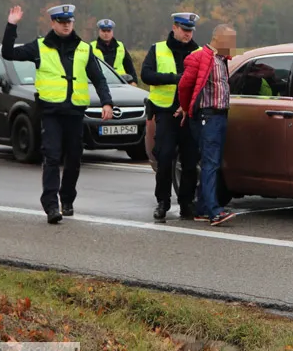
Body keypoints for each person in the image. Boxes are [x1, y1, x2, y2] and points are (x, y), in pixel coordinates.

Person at [2, 4, 114, 224]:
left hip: (74, 112)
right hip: (51, 112)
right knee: (52, 156)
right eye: (61, 22)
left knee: (74, 158)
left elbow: (99, 78)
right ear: (53, 23)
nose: (65, 26)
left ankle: (67, 198)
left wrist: (107, 102)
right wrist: (11, 25)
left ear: (73, 23)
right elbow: (8, 52)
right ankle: (51, 205)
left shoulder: (84, 48)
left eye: (69, 22)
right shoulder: (40, 47)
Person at [140, 12, 201, 222]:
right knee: (165, 157)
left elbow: (203, 82)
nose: (188, 34)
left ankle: (186, 203)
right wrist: (175, 79)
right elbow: (146, 75)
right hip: (166, 112)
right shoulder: (157, 49)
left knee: (190, 161)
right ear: (174, 27)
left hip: (190, 113)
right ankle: (163, 202)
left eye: (191, 30)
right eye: (184, 30)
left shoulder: (199, 51)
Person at [177, 23, 237, 226]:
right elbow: (184, 85)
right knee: (210, 163)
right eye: (230, 40)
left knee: (213, 163)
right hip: (208, 116)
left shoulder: (222, 60)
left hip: (220, 116)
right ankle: (213, 211)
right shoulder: (199, 57)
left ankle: (203, 208)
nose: (233, 45)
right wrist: (186, 108)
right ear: (218, 39)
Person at [91, 19, 138, 85]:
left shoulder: (120, 46)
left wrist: (134, 81)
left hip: (120, 83)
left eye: (108, 31)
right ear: (99, 31)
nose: (106, 33)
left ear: (112, 32)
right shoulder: (91, 47)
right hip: (99, 84)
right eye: (103, 31)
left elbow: (129, 66)